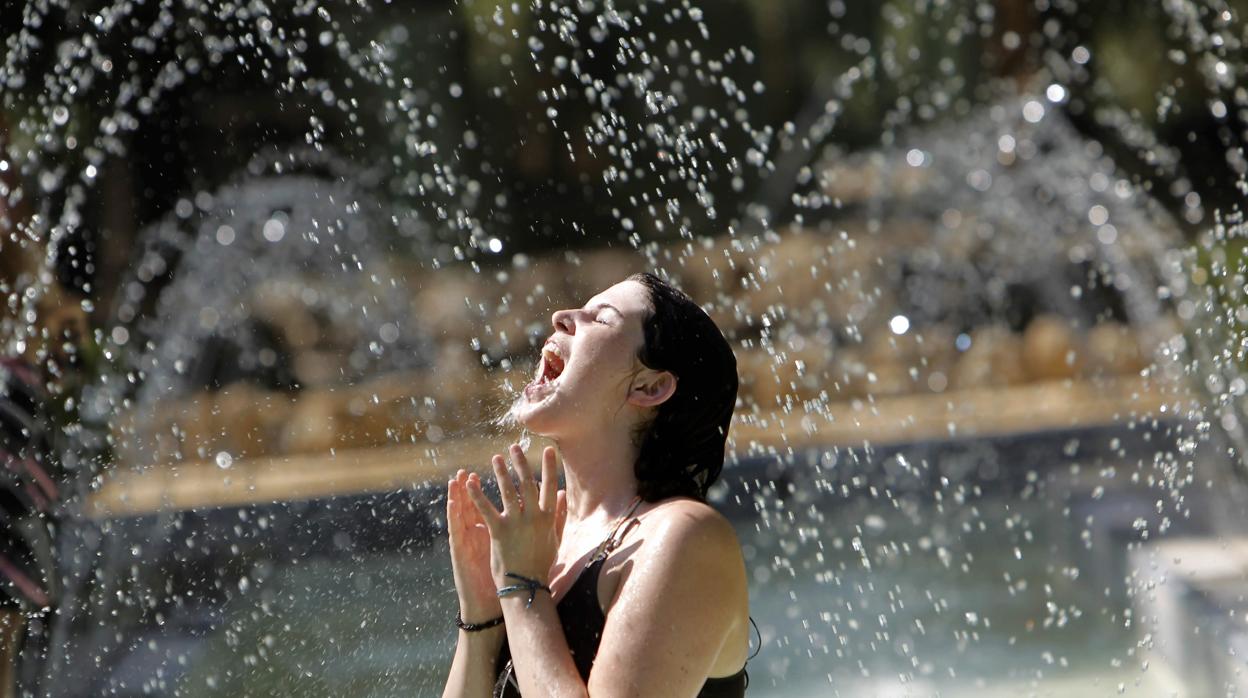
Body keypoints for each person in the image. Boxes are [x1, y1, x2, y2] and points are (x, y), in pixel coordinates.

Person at [442, 272, 751, 697]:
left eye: (600, 319)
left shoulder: (684, 536)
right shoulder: (541, 540)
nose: (561, 317)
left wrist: (520, 586)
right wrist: (481, 616)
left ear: (650, 386)